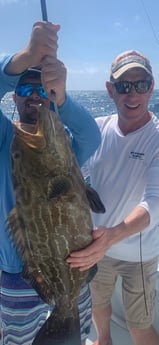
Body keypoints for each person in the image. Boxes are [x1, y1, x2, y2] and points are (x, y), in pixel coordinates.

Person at [0, 22, 101, 345]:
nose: (35, 97)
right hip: (15, 275)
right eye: (27, 90)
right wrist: (25, 56)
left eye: (43, 90)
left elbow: (91, 134)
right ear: (14, 96)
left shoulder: (67, 142)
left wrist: (65, 99)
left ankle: (66, 317)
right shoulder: (6, 137)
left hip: (74, 268)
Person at [67, 50, 159, 345]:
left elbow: (155, 203)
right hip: (96, 247)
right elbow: (72, 174)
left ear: (151, 87)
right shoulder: (96, 129)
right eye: (123, 86)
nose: (132, 94)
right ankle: (103, 341)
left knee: (139, 325)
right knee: (98, 307)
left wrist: (111, 236)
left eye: (140, 85)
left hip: (138, 255)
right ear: (110, 90)